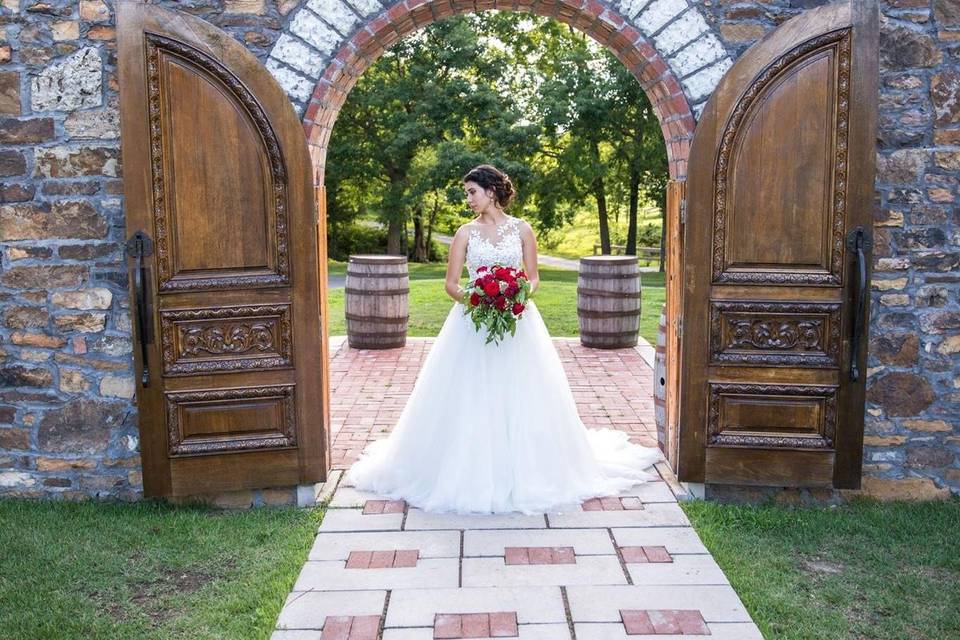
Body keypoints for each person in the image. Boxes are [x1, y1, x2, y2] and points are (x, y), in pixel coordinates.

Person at [343, 164, 663, 515]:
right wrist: (478, 299)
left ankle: (529, 469)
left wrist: (517, 295)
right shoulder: (464, 234)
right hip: (471, 325)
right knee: (468, 392)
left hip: (518, 322)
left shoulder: (523, 230)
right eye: (466, 193)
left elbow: (534, 277)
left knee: (523, 390)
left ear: (491, 191)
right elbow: (450, 284)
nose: (467, 199)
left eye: (471, 192)